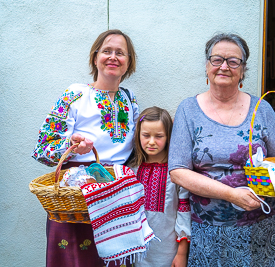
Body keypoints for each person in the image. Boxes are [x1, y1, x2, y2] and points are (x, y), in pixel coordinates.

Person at [168, 33, 275, 266]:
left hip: (260, 227)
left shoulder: (262, 109)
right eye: (217, 59)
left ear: (243, 71)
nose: (224, 66)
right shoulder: (188, 110)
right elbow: (178, 171)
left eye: (233, 61)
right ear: (207, 66)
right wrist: (231, 194)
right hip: (208, 230)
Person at [32, 29, 139, 267]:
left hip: (116, 194)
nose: (113, 57)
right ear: (95, 57)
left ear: (128, 62)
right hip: (76, 196)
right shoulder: (75, 93)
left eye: (120, 53)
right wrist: (70, 146)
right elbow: (42, 149)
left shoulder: (130, 99)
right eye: (107, 51)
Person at [126, 106, 191, 267]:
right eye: (146, 135)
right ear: (138, 135)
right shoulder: (131, 170)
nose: (152, 142)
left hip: (168, 253)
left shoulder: (177, 172)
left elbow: (184, 213)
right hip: (137, 253)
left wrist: (181, 253)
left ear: (169, 136)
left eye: (159, 136)